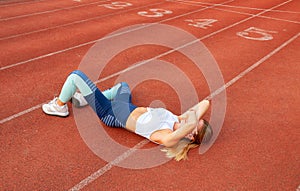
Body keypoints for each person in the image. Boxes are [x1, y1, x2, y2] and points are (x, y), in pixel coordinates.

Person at [42, 70, 213, 161]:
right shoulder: (178, 118)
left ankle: (59, 107)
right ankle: (87, 99)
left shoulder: (168, 137)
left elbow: (189, 126)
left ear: (190, 135)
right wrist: (188, 118)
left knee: (75, 77)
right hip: (126, 105)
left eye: (194, 124)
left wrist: (190, 124)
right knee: (122, 85)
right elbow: (205, 103)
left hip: (110, 112)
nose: (192, 119)